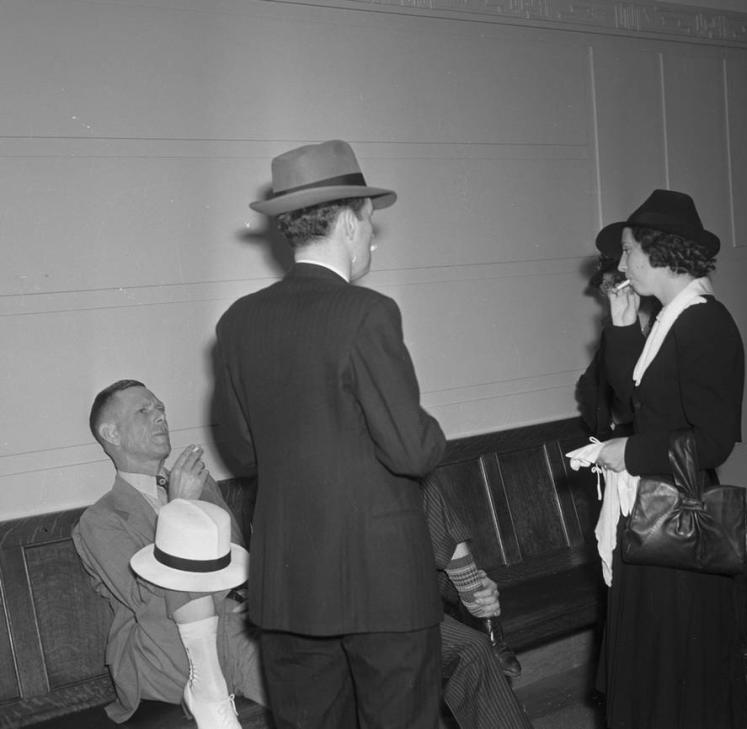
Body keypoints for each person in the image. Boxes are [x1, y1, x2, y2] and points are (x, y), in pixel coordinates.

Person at [215, 140, 447, 729]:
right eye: (371, 221)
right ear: (349, 219)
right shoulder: (368, 313)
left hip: (288, 583)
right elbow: (411, 450)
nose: (372, 236)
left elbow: (242, 450)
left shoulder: (238, 321)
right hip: (381, 583)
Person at [594, 190, 747, 729]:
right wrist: (619, 327)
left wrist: (628, 451)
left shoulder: (704, 323)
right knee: (657, 662)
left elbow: (714, 440)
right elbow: (640, 403)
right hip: (655, 512)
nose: (620, 263)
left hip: (676, 517)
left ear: (658, 252)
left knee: (673, 665)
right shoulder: (669, 318)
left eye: (628, 249)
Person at [73, 380, 265, 729]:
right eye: (143, 411)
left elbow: (236, 561)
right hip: (163, 649)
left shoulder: (203, 484)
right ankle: (208, 689)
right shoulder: (100, 520)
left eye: (160, 408)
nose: (159, 415)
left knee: (308, 685)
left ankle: (215, 692)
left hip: (233, 629)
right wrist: (180, 509)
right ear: (111, 434)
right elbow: (147, 597)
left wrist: (251, 596)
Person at [421, 476, 533, 729]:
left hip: (411, 595)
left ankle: (476, 595)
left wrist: (475, 586)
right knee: (472, 648)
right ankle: (485, 617)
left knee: (423, 482)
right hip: (358, 608)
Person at [576, 225, 660, 439]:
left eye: (612, 285)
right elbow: (590, 385)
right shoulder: (613, 331)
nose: (609, 295)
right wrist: (607, 425)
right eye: (605, 289)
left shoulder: (663, 327)